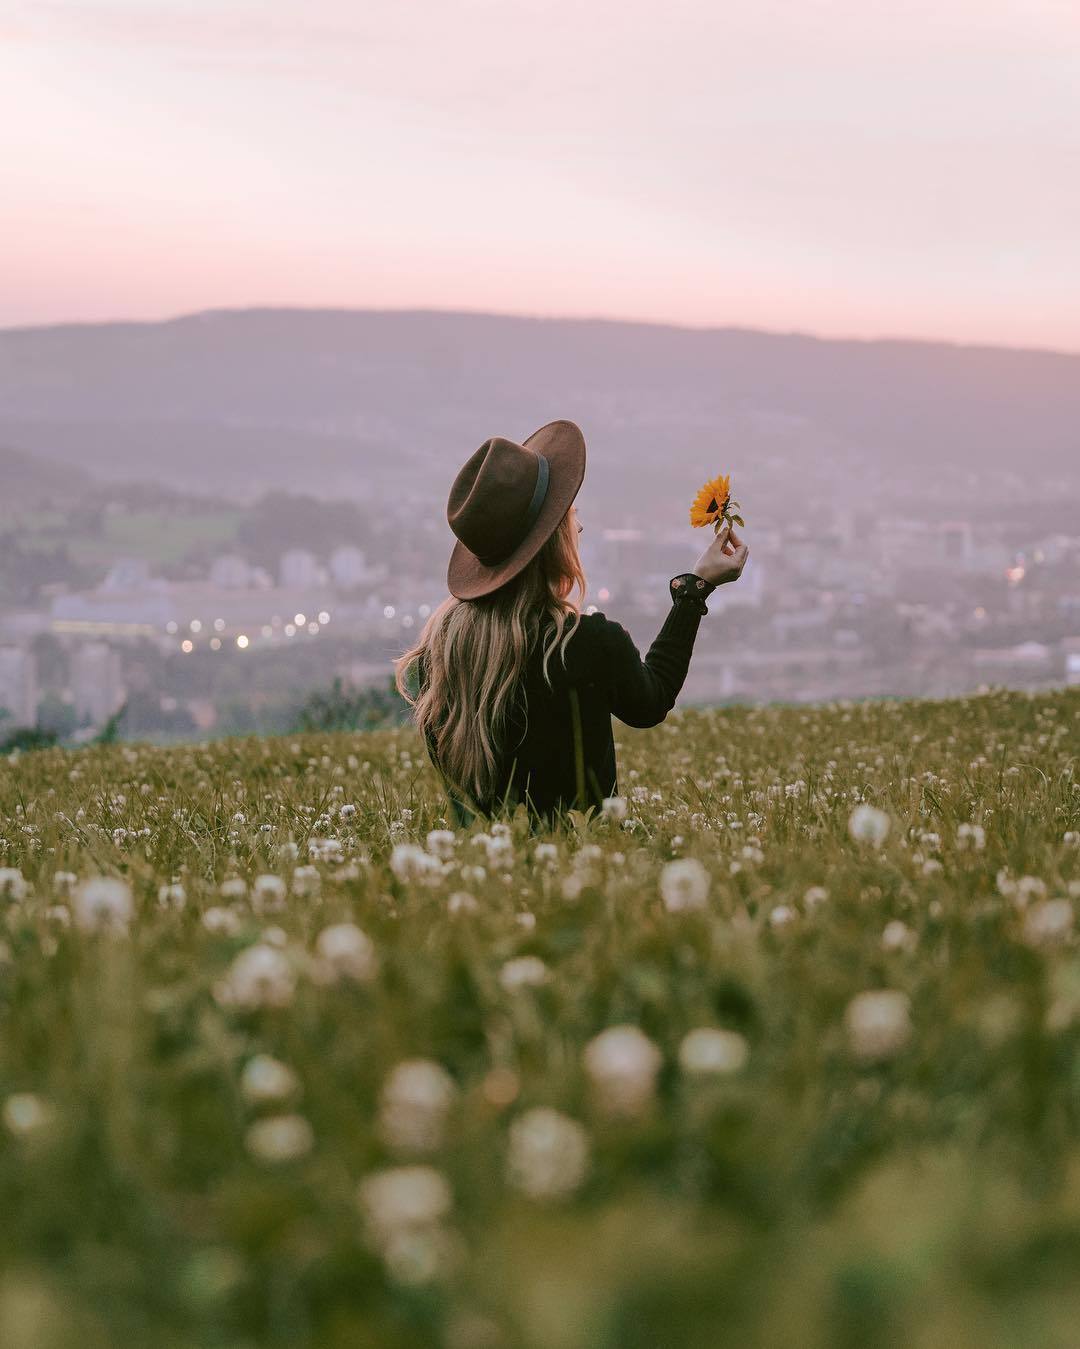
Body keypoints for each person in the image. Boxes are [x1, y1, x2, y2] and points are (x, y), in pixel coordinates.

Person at [394, 419, 749, 825]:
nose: (578, 526)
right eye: (570, 515)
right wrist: (694, 591)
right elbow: (652, 701)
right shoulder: (585, 644)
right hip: (587, 864)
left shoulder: (436, 657)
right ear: (553, 539)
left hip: (485, 872)